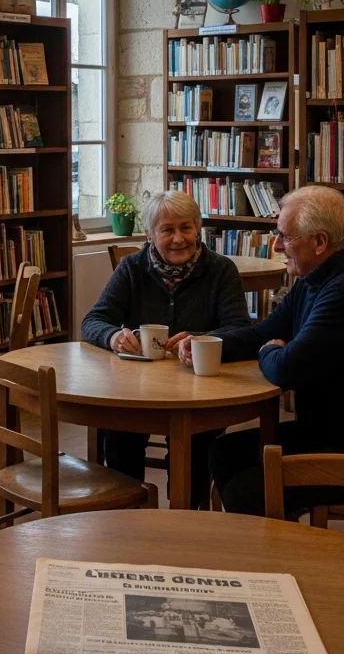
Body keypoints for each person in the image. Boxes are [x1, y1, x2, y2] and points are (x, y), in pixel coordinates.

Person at [177, 184, 344, 515]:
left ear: (319, 242)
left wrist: (270, 351)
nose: (276, 245)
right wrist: (204, 341)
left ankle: (277, 547)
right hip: (334, 434)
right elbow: (263, 334)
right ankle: (267, 539)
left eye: (285, 236)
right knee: (224, 452)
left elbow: (286, 368)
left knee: (248, 491)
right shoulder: (315, 281)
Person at [81, 190, 251, 507]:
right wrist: (113, 336)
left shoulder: (220, 270)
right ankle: (128, 514)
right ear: (150, 234)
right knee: (119, 438)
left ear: (197, 228)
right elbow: (93, 320)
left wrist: (198, 338)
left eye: (186, 228)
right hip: (137, 391)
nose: (178, 239)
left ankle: (186, 516)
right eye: (167, 230)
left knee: (197, 446)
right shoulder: (132, 268)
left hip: (199, 390)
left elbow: (239, 328)